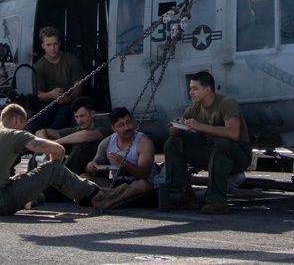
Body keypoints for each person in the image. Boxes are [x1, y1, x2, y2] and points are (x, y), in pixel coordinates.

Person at [0, 103, 104, 215]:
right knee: (53, 168)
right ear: (18, 120)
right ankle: (97, 195)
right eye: (23, 125)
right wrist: (51, 174)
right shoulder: (13, 134)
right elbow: (58, 150)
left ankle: (42, 195)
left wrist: (11, 180)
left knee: (18, 177)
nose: (22, 128)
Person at [164, 70, 253, 215]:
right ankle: (185, 194)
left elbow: (234, 133)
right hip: (212, 153)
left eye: (195, 88)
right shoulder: (193, 110)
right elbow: (175, 134)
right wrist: (176, 130)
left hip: (237, 155)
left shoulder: (227, 103)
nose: (190, 92)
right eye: (190, 88)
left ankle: (217, 201)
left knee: (222, 143)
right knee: (173, 143)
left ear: (207, 89)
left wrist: (200, 127)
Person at [85, 106, 156, 208]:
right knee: (84, 178)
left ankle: (105, 199)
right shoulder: (106, 143)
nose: (127, 128)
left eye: (128, 122)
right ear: (113, 128)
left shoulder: (144, 142)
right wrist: (91, 167)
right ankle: (112, 198)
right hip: (115, 185)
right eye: (121, 125)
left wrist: (124, 163)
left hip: (134, 184)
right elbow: (94, 164)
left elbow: (144, 175)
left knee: (142, 185)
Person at [27, 26, 85, 132]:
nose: (52, 48)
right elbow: (39, 95)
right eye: (48, 45)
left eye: (55, 44)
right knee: (39, 122)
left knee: (61, 119)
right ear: (43, 46)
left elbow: (79, 85)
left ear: (59, 43)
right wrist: (51, 94)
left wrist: (69, 98)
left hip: (69, 101)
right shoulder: (39, 66)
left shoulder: (71, 60)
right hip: (49, 103)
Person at [33, 96, 105, 174]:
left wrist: (53, 144)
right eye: (76, 117)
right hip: (73, 167)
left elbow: (84, 136)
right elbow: (40, 132)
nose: (79, 120)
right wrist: (47, 146)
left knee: (81, 146)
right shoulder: (75, 130)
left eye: (82, 116)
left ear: (92, 114)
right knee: (40, 147)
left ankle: (61, 177)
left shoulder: (101, 130)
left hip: (92, 168)